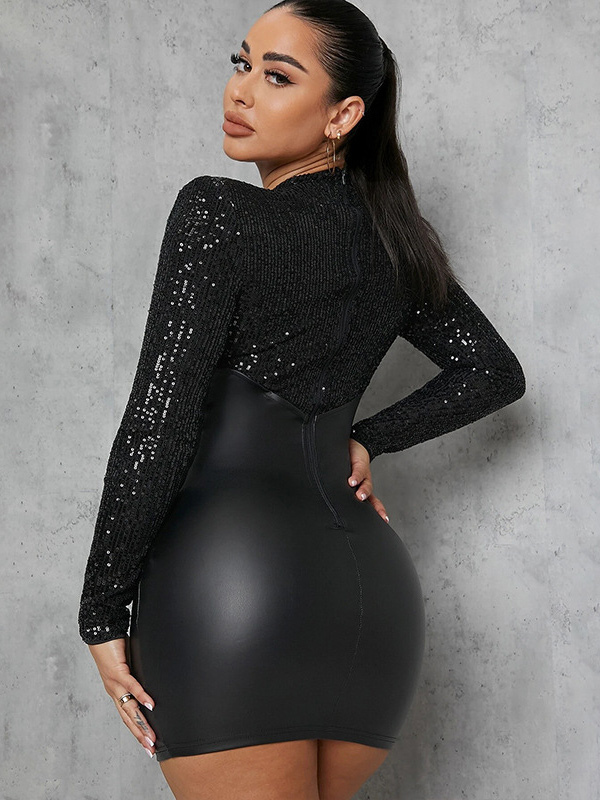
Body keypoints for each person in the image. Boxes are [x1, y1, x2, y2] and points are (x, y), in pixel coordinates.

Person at [78, 1, 526, 798]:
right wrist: (369, 437)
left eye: (278, 77)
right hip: (370, 609)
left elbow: (157, 426)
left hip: (234, 590)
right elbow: (491, 371)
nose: (241, 91)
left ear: (343, 116)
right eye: (242, 63)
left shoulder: (219, 214)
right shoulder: (394, 242)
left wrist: (101, 613)